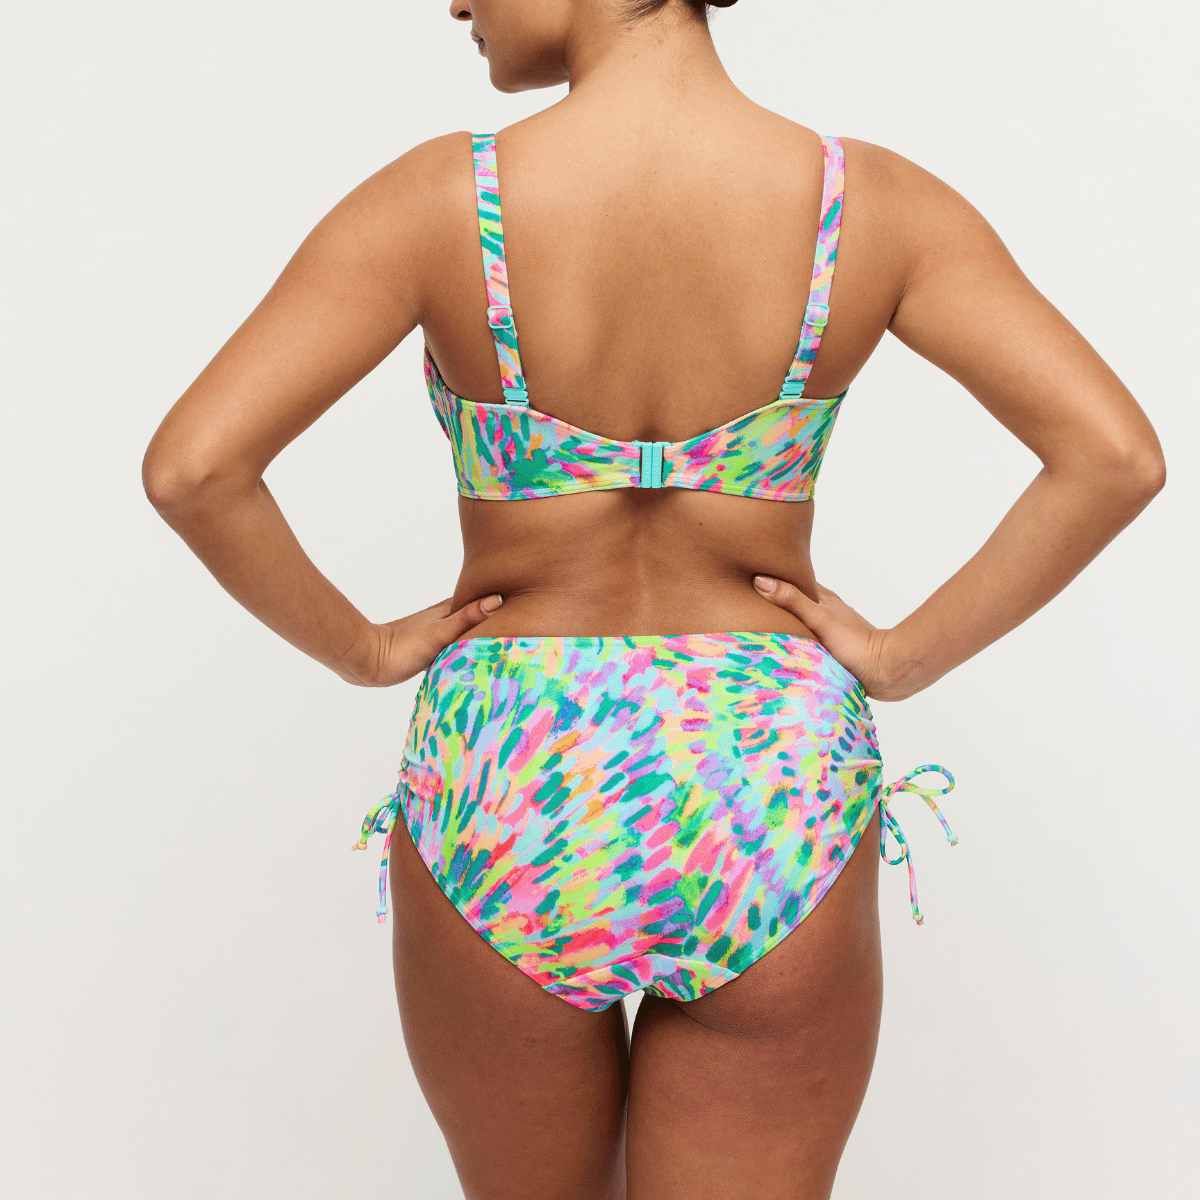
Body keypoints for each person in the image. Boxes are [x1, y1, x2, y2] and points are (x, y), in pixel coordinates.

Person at [141, 1, 1166, 1196]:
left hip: (513, 763)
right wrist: (900, 657)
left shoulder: (439, 200)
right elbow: (1113, 458)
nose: (457, 2)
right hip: (767, 770)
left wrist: (363, 650)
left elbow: (195, 470)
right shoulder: (872, 205)